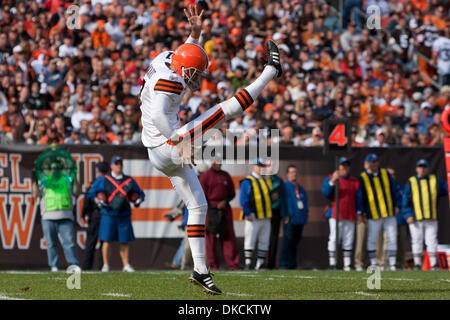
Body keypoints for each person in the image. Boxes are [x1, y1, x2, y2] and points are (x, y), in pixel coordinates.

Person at [138, 5, 282, 295]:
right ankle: (270, 72)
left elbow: (185, 52)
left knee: (198, 206)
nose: (199, 78)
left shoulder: (168, 59)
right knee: (222, 111)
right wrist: (180, 141)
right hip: (167, 143)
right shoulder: (170, 84)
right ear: (187, 71)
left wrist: (195, 34)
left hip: (157, 146)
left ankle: (201, 271)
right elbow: (156, 115)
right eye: (198, 73)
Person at [87, 156, 145, 272]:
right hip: (108, 213)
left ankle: (126, 265)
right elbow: (91, 192)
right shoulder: (104, 179)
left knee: (124, 241)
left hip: (124, 213)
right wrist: (97, 201)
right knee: (106, 240)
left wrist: (138, 199)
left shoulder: (129, 180)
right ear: (112, 166)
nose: (119, 166)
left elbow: (140, 193)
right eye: (116, 164)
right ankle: (106, 265)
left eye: (120, 164)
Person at [32, 158, 81, 272]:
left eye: (58, 168)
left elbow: (77, 192)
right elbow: (35, 194)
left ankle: (73, 265)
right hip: (48, 217)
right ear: (49, 170)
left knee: (69, 243)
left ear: (62, 169)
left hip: (65, 216)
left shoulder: (68, 180)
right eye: (53, 168)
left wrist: (75, 176)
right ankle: (54, 266)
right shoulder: (44, 181)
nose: (55, 170)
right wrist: (34, 178)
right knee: (50, 244)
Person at [356, 153, 402, 270]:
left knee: (392, 237)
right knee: (372, 238)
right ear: (367, 164)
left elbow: (395, 189)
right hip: (373, 214)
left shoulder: (385, 174)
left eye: (376, 161)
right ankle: (373, 263)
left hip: (388, 212)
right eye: (372, 162)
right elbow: (360, 196)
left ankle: (392, 264)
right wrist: (361, 212)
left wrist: (397, 205)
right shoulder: (363, 178)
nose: (374, 164)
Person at [401, 159, 448, 270]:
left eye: (424, 167)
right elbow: (405, 199)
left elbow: (446, 189)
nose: (422, 169)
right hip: (416, 217)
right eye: (420, 167)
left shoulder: (434, 180)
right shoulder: (411, 182)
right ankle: (417, 264)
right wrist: (407, 214)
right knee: (416, 240)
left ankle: (433, 264)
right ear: (416, 168)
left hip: (431, 217)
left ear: (427, 168)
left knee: (431, 240)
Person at [200, 159, 239, 271]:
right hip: (210, 210)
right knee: (210, 240)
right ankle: (213, 266)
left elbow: (232, 193)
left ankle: (232, 265)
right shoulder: (205, 176)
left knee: (228, 237)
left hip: (224, 209)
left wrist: (225, 201)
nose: (219, 163)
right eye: (217, 161)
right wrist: (213, 206)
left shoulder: (225, 175)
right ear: (212, 162)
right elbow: (202, 195)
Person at [321, 157, 359, 271]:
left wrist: (360, 212)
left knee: (348, 239)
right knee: (334, 238)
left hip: (350, 214)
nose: (345, 168)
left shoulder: (354, 181)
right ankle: (332, 263)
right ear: (338, 167)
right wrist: (332, 181)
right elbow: (326, 193)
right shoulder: (331, 179)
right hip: (335, 214)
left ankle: (347, 264)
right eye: (343, 166)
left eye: (347, 166)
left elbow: (359, 198)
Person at [240, 158, 273, 270]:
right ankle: (248, 263)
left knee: (264, 239)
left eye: (262, 166)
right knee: (250, 239)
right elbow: (243, 198)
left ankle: (260, 263)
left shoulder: (265, 180)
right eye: (258, 165)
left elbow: (269, 196)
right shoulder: (248, 181)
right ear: (253, 166)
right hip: (253, 215)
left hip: (266, 215)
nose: (260, 168)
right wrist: (247, 212)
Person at [279, 165, 308, 269]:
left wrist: (305, 217)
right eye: (291, 172)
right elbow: (282, 202)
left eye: (295, 172)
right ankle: (283, 264)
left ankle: (292, 265)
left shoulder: (300, 188)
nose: (294, 174)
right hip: (289, 219)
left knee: (295, 244)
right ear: (287, 174)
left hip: (299, 220)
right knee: (287, 242)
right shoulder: (284, 186)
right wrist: (285, 215)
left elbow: (304, 203)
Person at [81, 161, 109, 270]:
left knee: (91, 242)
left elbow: (88, 198)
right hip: (106, 214)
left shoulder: (95, 183)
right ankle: (102, 266)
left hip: (96, 214)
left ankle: (87, 267)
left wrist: (84, 212)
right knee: (104, 242)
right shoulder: (110, 182)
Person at [266, 165, 289, 269]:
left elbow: (284, 198)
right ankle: (258, 262)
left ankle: (271, 263)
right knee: (262, 238)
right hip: (263, 213)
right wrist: (269, 198)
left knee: (273, 238)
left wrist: (285, 214)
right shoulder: (260, 179)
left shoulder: (278, 180)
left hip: (276, 212)